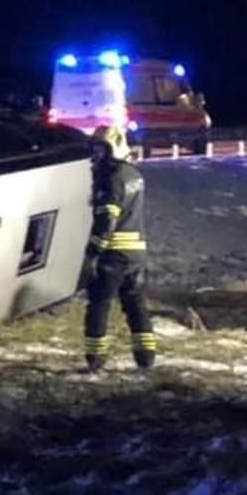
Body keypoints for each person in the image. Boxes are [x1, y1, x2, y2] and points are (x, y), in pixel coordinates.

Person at [84, 125, 155, 372]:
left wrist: (93, 253)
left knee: (99, 303)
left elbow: (107, 220)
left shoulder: (110, 176)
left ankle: (95, 359)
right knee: (135, 303)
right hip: (136, 251)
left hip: (113, 253)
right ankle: (145, 357)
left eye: (100, 148)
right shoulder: (133, 173)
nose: (96, 154)